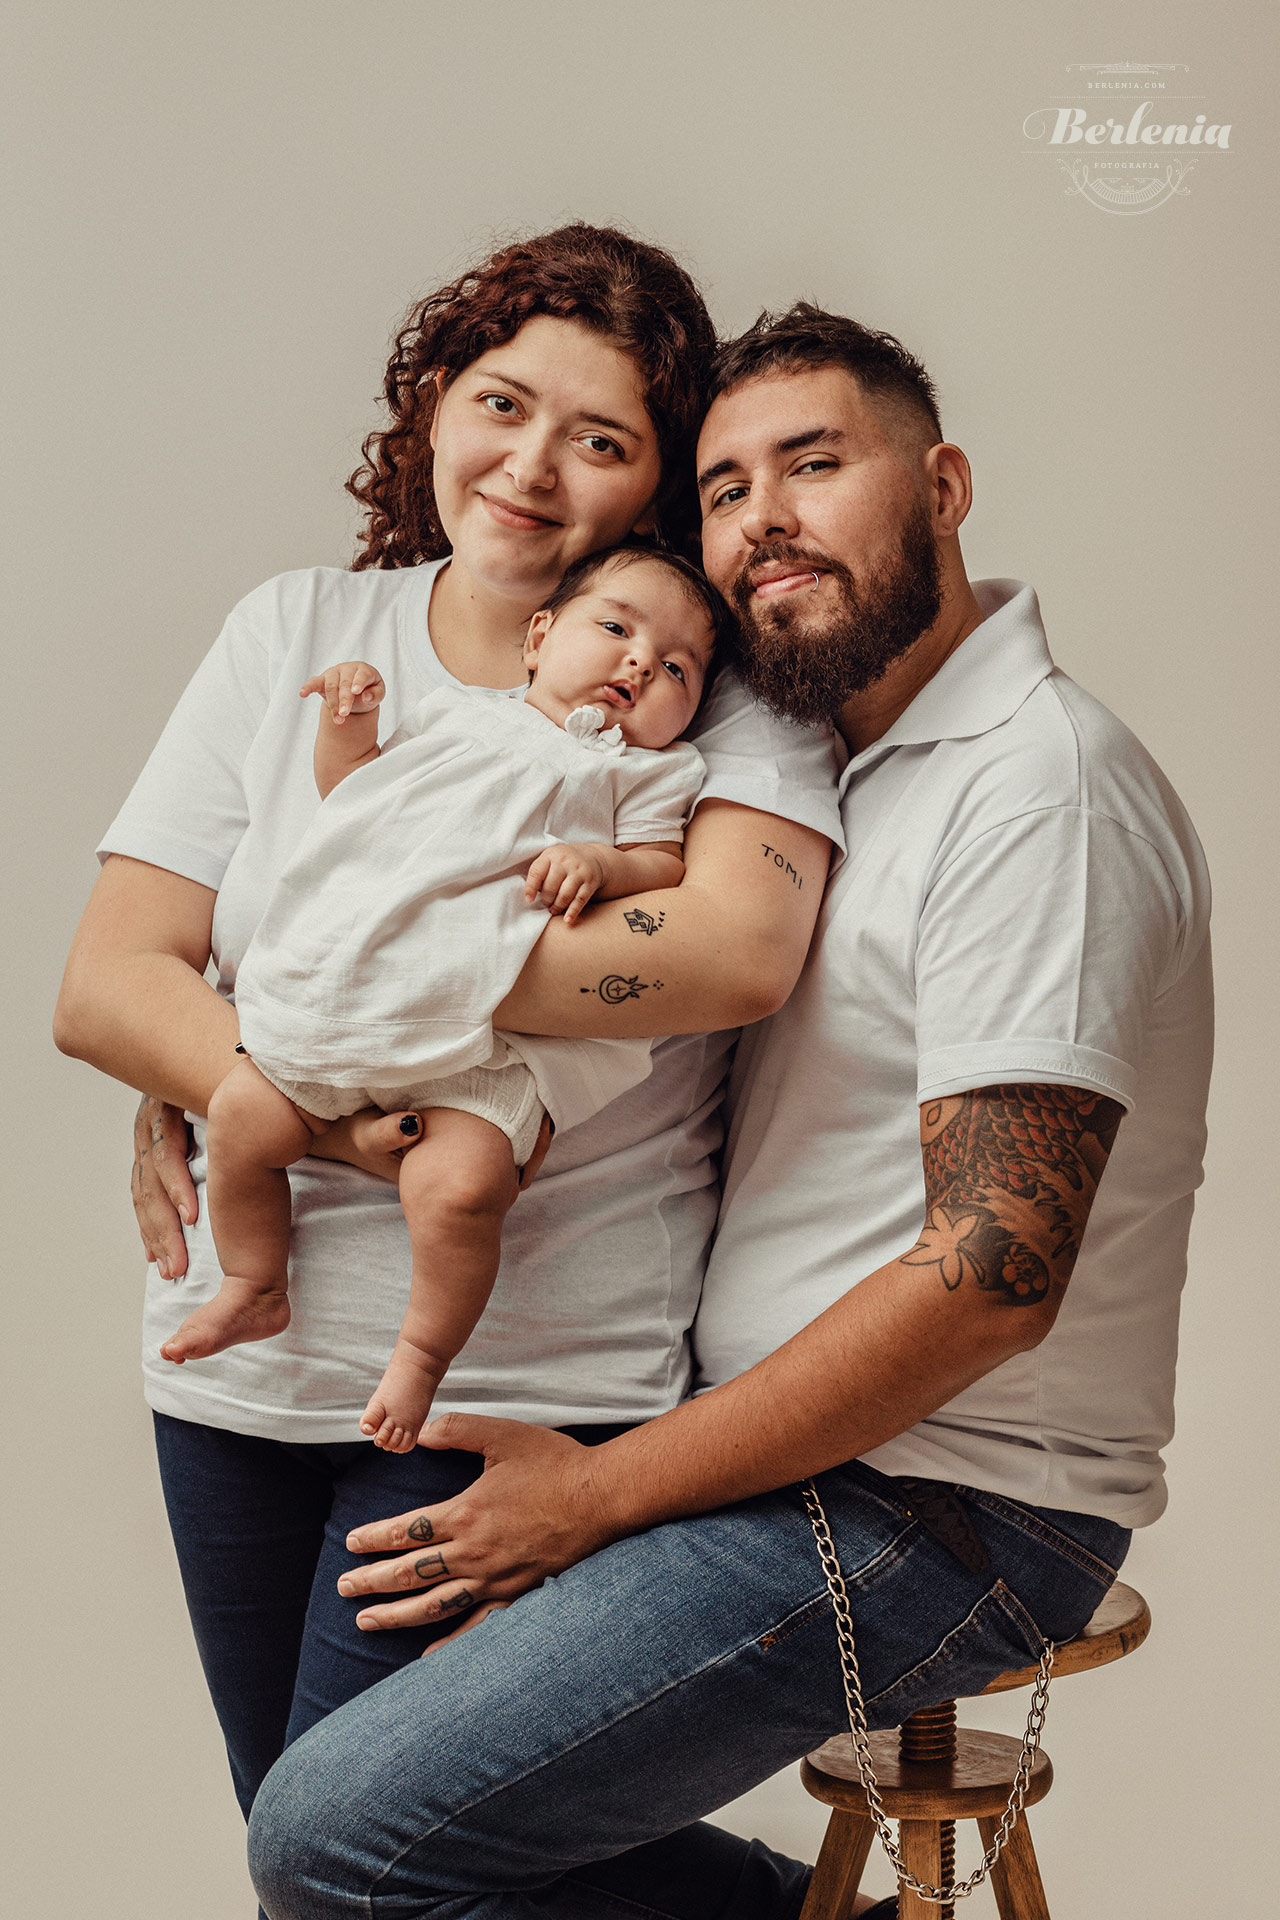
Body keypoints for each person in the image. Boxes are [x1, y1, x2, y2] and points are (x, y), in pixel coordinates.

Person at [242, 305, 1212, 1920]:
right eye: (723, 486)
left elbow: (991, 1279)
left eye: (815, 465)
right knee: (357, 1793)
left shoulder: (1036, 785)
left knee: (337, 1836)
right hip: (785, 1466)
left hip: (945, 1503)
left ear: (945, 482)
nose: (762, 517)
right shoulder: (840, 774)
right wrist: (257, 1066)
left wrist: (603, 1497)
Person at [52, 227, 843, 1866]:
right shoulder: (304, 633)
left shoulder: (701, 691)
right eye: (502, 403)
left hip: (526, 1382)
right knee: (313, 1845)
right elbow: (110, 978)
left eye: (603, 440)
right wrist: (275, 1087)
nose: (532, 467)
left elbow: (731, 953)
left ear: (655, 489)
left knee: (357, 1857)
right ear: (432, 405)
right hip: (238, 1368)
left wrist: (305, 995)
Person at [163, 544, 726, 1457]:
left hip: (480, 1050)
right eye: (617, 630)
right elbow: (352, 797)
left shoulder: (652, 774)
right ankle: (256, 1280)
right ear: (539, 638)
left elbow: (662, 863)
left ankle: (422, 1357)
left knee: (462, 1188)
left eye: (676, 669)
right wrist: (351, 723)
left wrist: (603, 863)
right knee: (240, 1121)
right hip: (349, 1005)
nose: (638, 664)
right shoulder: (453, 715)